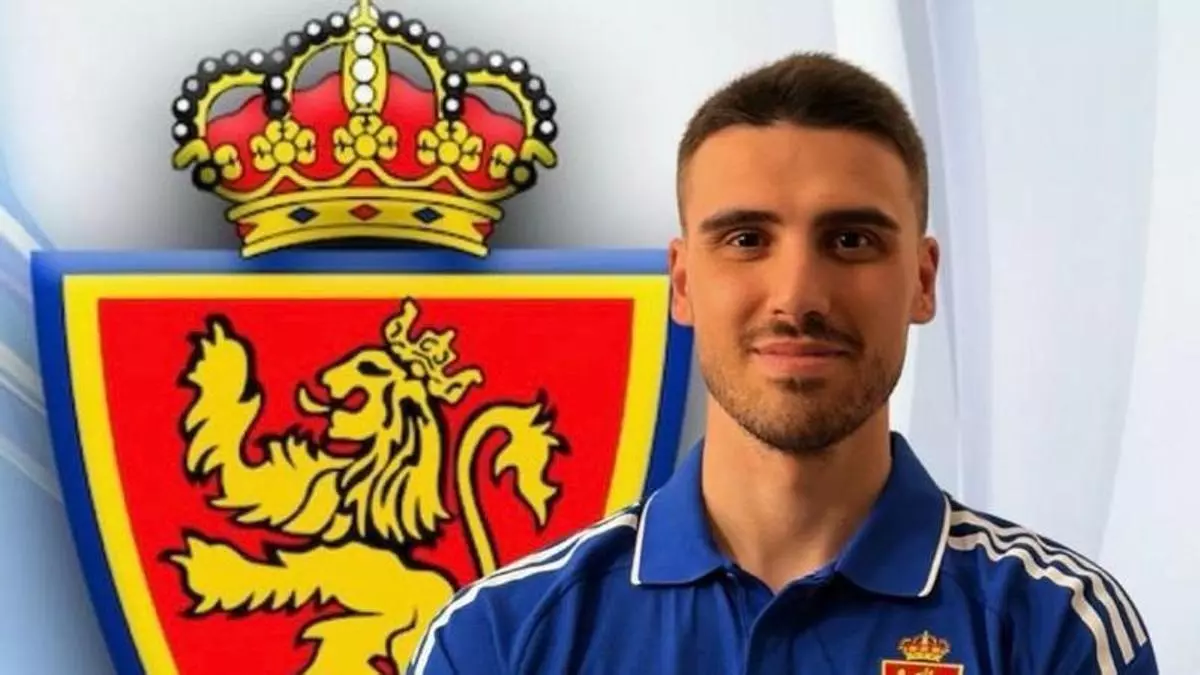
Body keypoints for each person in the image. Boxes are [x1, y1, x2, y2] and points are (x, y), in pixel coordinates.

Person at [405, 52, 1158, 674]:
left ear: (923, 281)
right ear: (683, 283)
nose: (797, 296)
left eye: (852, 241)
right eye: (746, 240)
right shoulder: (498, 639)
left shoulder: (1054, 627)